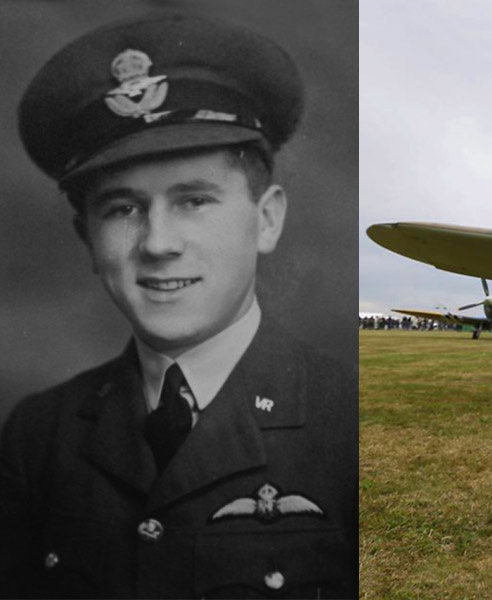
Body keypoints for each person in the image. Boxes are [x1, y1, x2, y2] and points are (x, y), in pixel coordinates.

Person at [0, 13, 356, 598]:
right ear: (86, 237)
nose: (159, 243)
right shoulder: (39, 436)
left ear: (266, 219)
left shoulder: (355, 423)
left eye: (194, 200)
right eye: (121, 209)